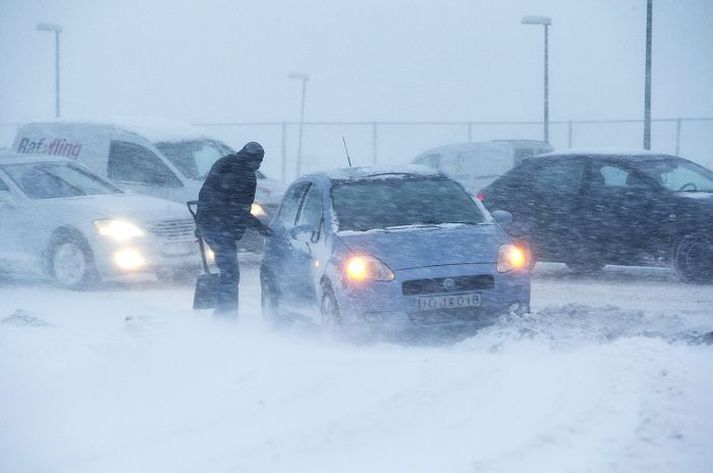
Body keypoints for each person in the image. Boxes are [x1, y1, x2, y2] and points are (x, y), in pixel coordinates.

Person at [195, 142, 272, 316]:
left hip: (213, 224)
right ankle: (225, 316)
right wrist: (259, 227)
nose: (257, 164)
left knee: (228, 272)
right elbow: (236, 208)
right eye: (256, 160)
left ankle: (225, 312)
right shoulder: (242, 174)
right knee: (230, 273)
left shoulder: (226, 164)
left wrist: (200, 222)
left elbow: (205, 194)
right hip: (219, 227)